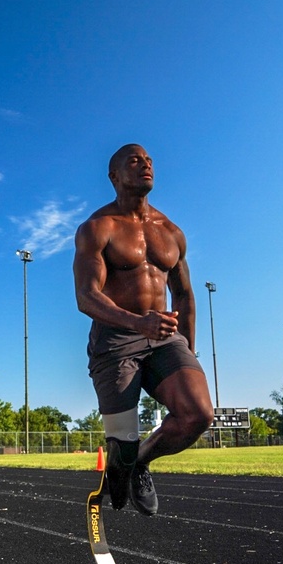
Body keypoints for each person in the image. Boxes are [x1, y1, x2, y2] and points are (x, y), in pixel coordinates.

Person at [73, 143, 214, 516]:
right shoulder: (97, 228)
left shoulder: (171, 232)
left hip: (165, 337)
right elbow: (86, 297)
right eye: (134, 161)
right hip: (116, 340)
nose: (146, 165)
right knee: (122, 445)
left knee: (198, 414)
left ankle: (141, 464)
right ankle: (127, 460)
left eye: (149, 160)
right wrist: (139, 322)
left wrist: (188, 355)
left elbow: (183, 295)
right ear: (114, 176)